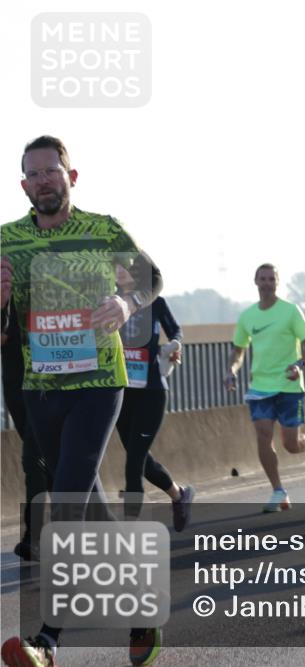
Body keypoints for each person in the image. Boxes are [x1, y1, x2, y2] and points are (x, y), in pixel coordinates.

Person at [1, 135, 165, 666]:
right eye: (34, 173)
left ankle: (47, 641)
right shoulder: (7, 242)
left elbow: (152, 278)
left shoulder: (102, 229)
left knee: (67, 503)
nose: (44, 179)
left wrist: (126, 299)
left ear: (72, 177)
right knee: (89, 505)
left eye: (53, 170)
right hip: (40, 390)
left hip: (98, 383)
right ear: (24, 184)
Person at [224, 263, 305, 513]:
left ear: (277, 283)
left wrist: (300, 365)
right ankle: (278, 491)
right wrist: (231, 370)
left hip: (289, 384)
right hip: (260, 386)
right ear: (255, 281)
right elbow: (238, 350)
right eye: (262, 278)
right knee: (263, 435)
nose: (267, 283)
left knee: (291, 445)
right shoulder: (248, 316)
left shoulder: (290, 311)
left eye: (271, 279)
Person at [114, 265, 194, 529]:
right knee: (140, 458)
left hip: (151, 391)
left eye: (126, 266)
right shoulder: (108, 302)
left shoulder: (156, 303)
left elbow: (176, 332)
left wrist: (175, 347)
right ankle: (179, 495)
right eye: (115, 267)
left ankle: (130, 530)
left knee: (134, 461)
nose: (120, 271)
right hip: (121, 392)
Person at [1, 301, 51, 561]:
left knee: (33, 459)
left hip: (47, 377)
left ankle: (34, 537)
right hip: (14, 382)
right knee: (49, 463)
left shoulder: (44, 268)